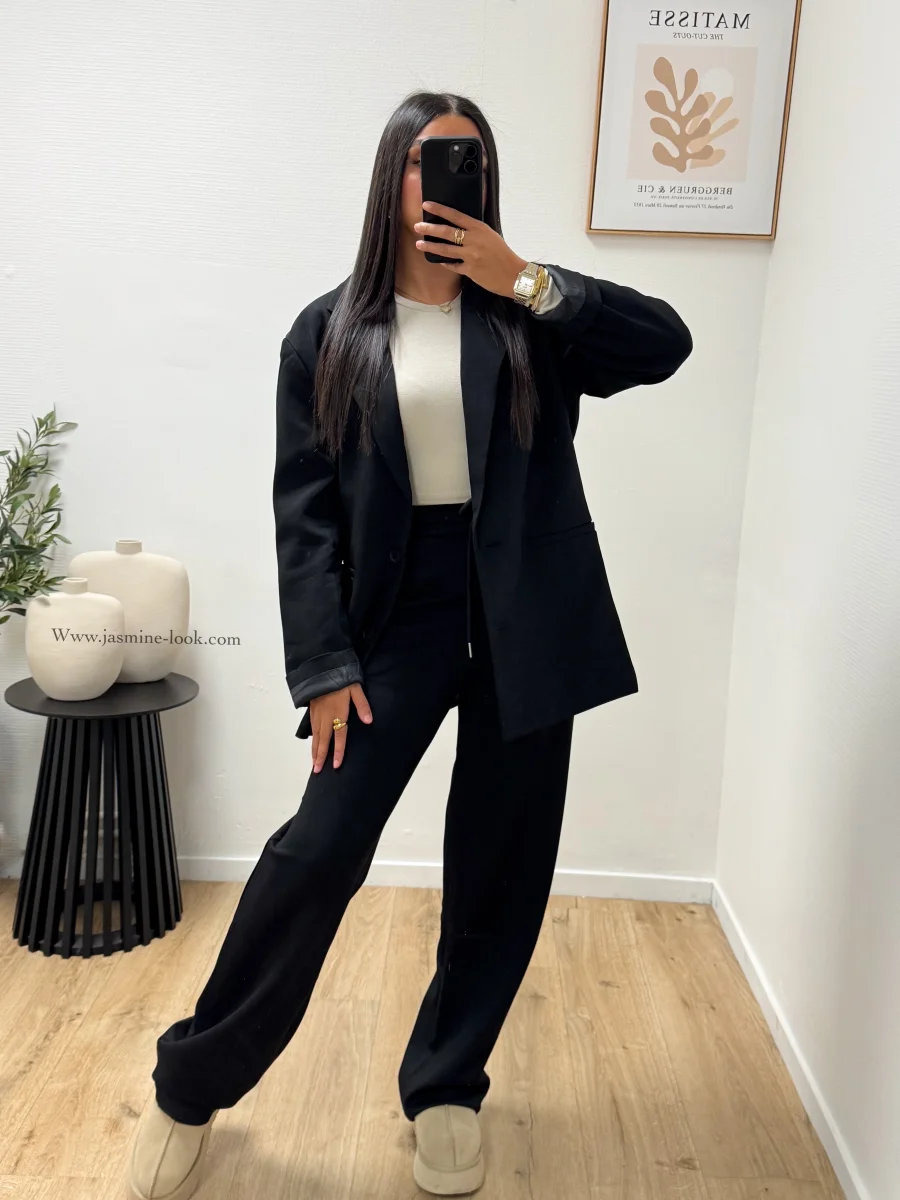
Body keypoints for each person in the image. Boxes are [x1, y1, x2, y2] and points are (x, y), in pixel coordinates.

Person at [127, 90, 692, 1200]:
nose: (448, 177)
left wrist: (526, 277)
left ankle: (445, 1085)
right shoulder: (329, 331)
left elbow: (664, 343)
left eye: (468, 159)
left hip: (525, 616)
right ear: (393, 177)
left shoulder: (525, 314)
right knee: (318, 849)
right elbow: (305, 517)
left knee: (502, 863)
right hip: (395, 617)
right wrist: (324, 666)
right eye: (430, 160)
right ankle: (191, 1085)